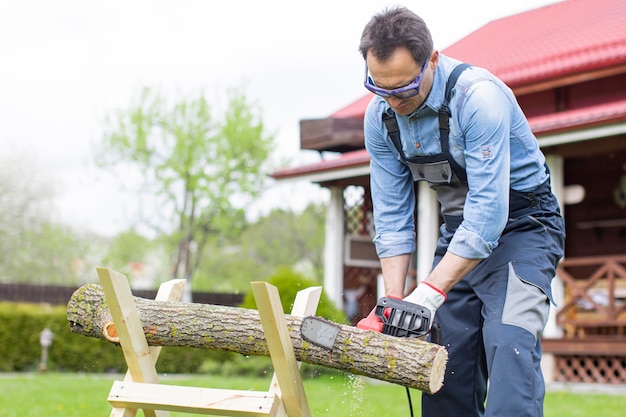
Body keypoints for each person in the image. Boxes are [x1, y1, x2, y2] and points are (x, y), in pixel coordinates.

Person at [356, 6, 565, 417]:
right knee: (445, 366)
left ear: (431, 59)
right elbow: (393, 218)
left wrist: (429, 292)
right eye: (381, 89)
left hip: (523, 227)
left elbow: (489, 213)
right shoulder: (380, 117)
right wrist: (394, 300)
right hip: (458, 231)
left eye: (404, 89)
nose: (393, 101)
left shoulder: (477, 97)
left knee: (510, 346)